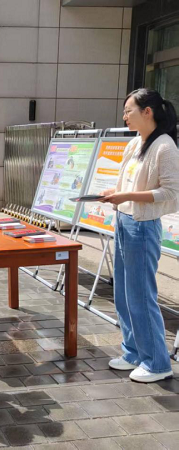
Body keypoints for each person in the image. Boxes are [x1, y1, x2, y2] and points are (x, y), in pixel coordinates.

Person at [101, 88, 179, 383]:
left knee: (141, 295)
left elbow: (170, 192)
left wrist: (127, 196)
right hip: (124, 220)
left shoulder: (165, 146)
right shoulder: (136, 142)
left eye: (129, 111)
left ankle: (157, 363)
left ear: (148, 112)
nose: (125, 116)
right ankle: (133, 352)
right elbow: (131, 183)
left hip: (142, 226)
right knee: (123, 293)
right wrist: (115, 193)